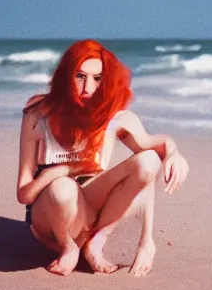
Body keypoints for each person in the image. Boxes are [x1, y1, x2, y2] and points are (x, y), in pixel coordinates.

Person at [16, 39, 189, 277]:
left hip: (88, 210)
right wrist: (55, 172)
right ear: (66, 75)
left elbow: (154, 145)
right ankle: (68, 248)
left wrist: (173, 153)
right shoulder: (38, 116)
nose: (88, 87)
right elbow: (23, 194)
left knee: (148, 161)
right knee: (63, 188)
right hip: (48, 221)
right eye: (80, 76)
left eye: (97, 79)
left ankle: (96, 242)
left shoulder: (113, 118)